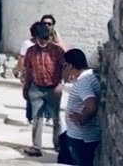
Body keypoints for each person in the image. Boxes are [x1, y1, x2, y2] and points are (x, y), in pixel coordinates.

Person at [21, 21, 66, 157]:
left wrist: (61, 84)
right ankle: (36, 147)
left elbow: (65, 68)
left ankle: (58, 145)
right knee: (37, 118)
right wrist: (26, 87)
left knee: (55, 118)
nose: (43, 41)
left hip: (53, 89)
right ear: (35, 38)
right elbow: (28, 71)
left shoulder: (58, 51)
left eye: (46, 38)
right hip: (36, 88)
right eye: (40, 38)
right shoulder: (30, 51)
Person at [61, 49, 101, 165]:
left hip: (80, 137)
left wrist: (81, 119)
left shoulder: (83, 83)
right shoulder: (90, 77)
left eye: (64, 66)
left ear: (69, 65)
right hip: (84, 136)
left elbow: (91, 105)